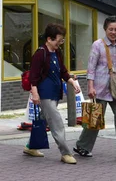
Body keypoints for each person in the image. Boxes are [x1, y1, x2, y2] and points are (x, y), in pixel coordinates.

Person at [73, 16, 116, 163]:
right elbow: (91, 67)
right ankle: (83, 146)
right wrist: (90, 86)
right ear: (105, 29)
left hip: (115, 90)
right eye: (110, 29)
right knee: (94, 120)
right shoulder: (97, 45)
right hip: (99, 89)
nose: (113, 32)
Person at [23, 23, 80, 164]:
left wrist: (71, 81)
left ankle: (31, 147)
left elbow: (63, 71)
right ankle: (65, 153)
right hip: (44, 93)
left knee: (42, 119)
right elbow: (33, 77)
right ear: (49, 39)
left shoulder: (57, 52)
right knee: (56, 121)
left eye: (62, 40)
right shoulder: (40, 53)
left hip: (55, 92)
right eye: (58, 40)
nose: (60, 43)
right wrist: (35, 93)